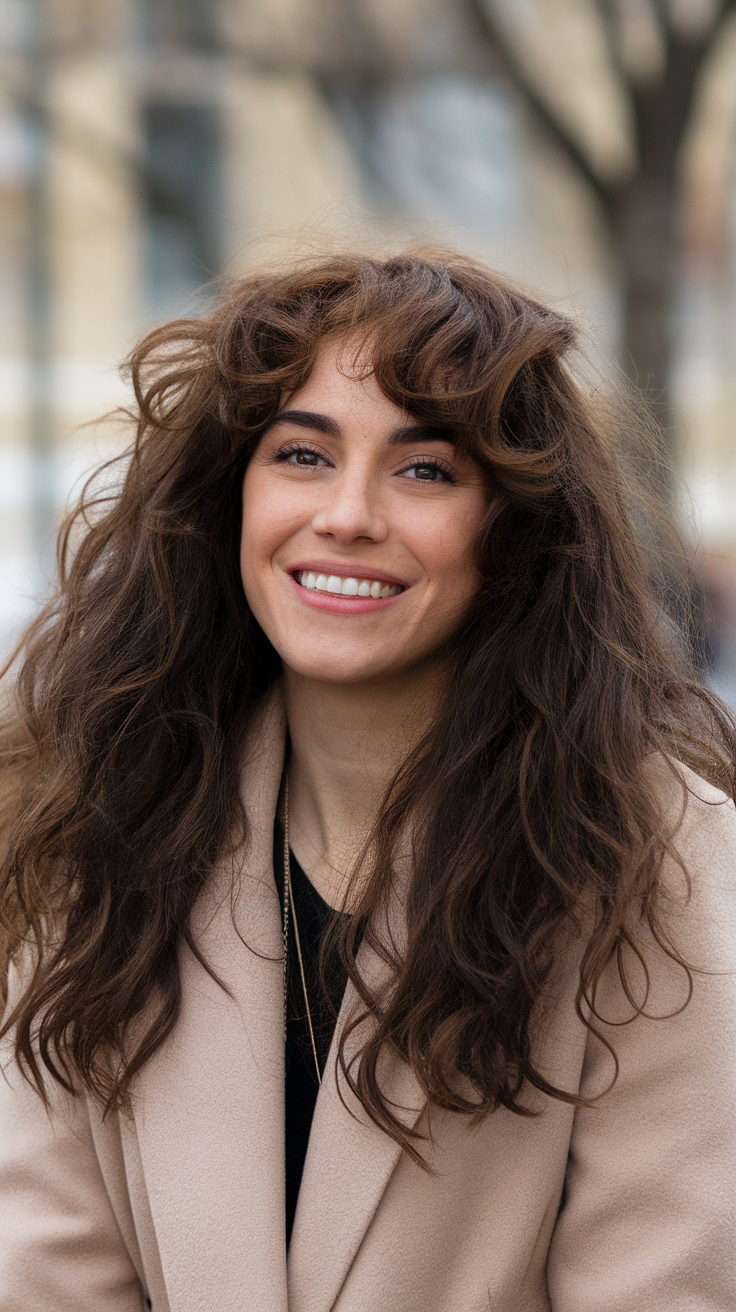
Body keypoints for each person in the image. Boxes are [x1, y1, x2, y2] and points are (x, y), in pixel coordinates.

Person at [1, 250, 735, 1312]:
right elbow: (43, 1274)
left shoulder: (656, 851)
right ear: (229, 496)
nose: (347, 513)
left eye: (424, 469)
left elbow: (663, 1288)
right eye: (301, 454)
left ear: (513, 530)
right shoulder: (103, 818)